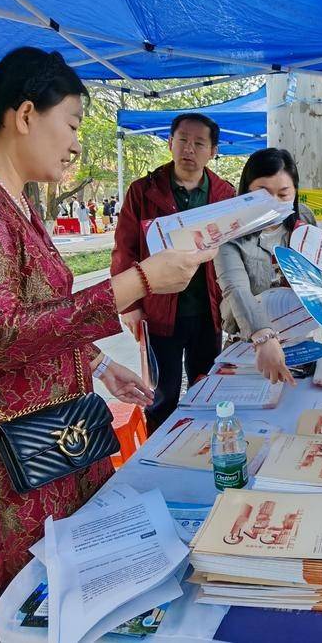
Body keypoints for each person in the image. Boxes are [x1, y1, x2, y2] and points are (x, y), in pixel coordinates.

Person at [0, 48, 214, 641]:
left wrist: (95, 362)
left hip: (48, 441)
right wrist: (139, 281)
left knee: (74, 606)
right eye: (70, 123)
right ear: (24, 115)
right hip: (5, 463)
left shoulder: (7, 195)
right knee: (26, 610)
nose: (75, 143)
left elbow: (31, 313)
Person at [112, 113, 237, 432]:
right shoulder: (143, 191)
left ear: (213, 151)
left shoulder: (224, 194)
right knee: (162, 393)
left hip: (208, 309)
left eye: (199, 143)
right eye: (182, 140)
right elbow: (125, 248)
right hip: (159, 310)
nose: (189, 149)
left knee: (206, 385)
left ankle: (203, 442)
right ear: (170, 143)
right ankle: (159, 449)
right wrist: (130, 306)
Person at [213, 147, 315, 386]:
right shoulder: (228, 231)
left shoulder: (304, 220)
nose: (274, 204)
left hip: (299, 342)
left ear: (295, 192)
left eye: (283, 194)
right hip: (249, 344)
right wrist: (262, 336)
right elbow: (235, 287)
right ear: (246, 190)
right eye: (263, 194)